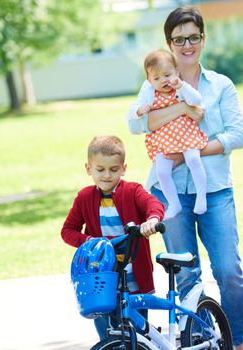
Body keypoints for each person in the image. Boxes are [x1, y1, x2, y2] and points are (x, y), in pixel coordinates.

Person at [127, 6, 243, 350]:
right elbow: (136, 124)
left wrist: (189, 152)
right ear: (169, 42)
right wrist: (181, 110)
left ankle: (237, 340)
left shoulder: (220, 85)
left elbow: (237, 135)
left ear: (202, 39)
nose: (186, 45)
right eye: (179, 39)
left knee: (229, 272)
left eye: (192, 37)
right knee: (185, 275)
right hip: (170, 195)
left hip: (214, 189)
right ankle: (199, 340)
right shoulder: (153, 81)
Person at [61, 135, 164, 341]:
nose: (107, 175)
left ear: (123, 169)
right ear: (89, 168)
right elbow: (68, 231)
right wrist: (91, 243)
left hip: (134, 277)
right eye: (100, 169)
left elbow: (153, 204)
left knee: (137, 336)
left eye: (114, 169)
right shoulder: (84, 198)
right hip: (100, 279)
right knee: (108, 336)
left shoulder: (132, 191)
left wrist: (152, 220)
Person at [137, 48, 208, 219]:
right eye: (157, 78)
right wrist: (139, 110)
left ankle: (201, 196)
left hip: (185, 133)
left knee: (193, 159)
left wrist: (182, 86)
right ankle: (174, 203)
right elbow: (133, 111)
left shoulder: (180, 89)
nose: (164, 81)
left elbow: (196, 100)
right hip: (164, 139)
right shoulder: (149, 94)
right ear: (149, 80)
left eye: (167, 75)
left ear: (176, 72)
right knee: (161, 172)